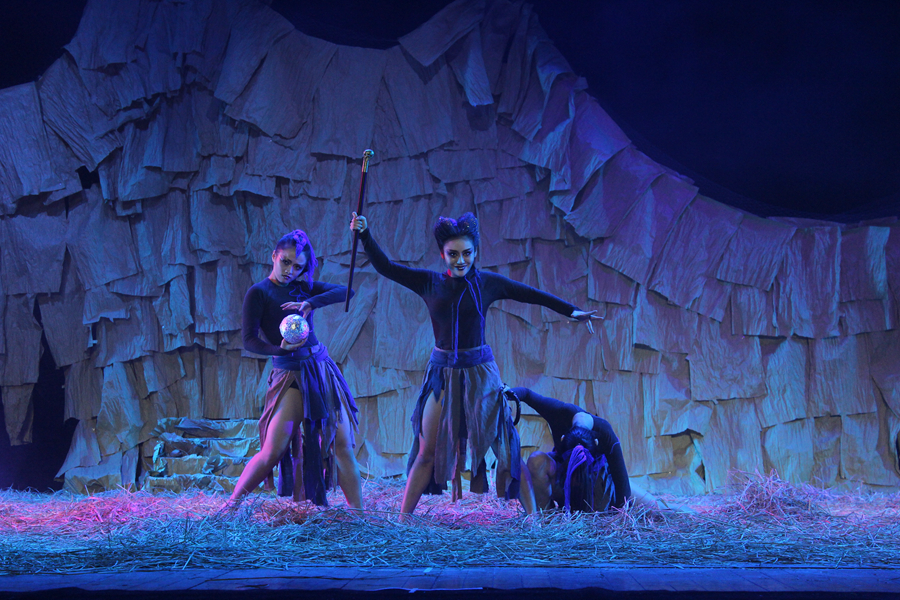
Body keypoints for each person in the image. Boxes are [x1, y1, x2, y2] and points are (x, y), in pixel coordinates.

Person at [350, 211, 597, 515]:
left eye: (467, 253)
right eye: (453, 254)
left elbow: (531, 294)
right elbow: (386, 267)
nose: (460, 260)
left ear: (476, 252)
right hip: (442, 375)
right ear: (443, 254)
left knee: (507, 449)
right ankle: (403, 520)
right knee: (427, 451)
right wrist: (364, 234)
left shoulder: (486, 283)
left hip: (481, 374)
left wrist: (571, 311)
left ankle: (533, 521)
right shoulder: (429, 283)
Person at [230, 229, 363, 510]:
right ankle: (230, 506)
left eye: (298, 266)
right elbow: (249, 340)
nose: (290, 270)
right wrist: (280, 350)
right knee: (272, 451)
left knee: (342, 446)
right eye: (286, 262)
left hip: (320, 370)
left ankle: (360, 516)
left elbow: (347, 291)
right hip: (289, 374)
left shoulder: (303, 288)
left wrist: (311, 302)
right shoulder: (259, 292)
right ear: (274, 256)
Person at [508, 386, 660, 512]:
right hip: (563, 479)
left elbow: (622, 487)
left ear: (596, 442)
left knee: (657, 509)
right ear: (562, 439)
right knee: (537, 460)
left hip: (595, 485)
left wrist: (619, 516)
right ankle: (546, 518)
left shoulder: (606, 434)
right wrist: (505, 394)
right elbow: (526, 394)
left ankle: (592, 512)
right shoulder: (559, 413)